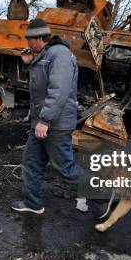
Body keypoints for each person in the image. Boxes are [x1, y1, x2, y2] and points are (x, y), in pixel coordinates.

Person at [11, 18, 87, 214]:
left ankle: (109, 190)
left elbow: (58, 91)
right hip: (42, 123)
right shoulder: (46, 54)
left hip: (55, 124)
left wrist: (45, 120)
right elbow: (42, 86)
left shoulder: (60, 54)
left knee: (65, 169)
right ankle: (33, 203)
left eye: (30, 39)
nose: (28, 43)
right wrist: (30, 63)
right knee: (31, 161)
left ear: (39, 38)